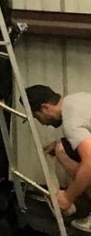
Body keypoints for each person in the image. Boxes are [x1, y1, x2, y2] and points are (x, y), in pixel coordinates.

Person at [28, 84, 91, 231]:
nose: (42, 123)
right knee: (62, 148)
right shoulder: (76, 99)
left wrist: (68, 197)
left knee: (79, 160)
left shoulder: (71, 121)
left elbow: (89, 164)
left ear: (45, 108)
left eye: (37, 117)